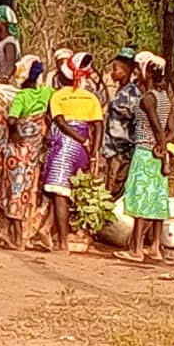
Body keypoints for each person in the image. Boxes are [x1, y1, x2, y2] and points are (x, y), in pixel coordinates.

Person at [116, 52, 174, 263]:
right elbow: (171, 131)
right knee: (157, 200)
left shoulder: (147, 98)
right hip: (158, 154)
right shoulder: (165, 98)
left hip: (145, 152)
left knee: (140, 199)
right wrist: (163, 150)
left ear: (146, 72)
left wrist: (158, 147)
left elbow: (157, 128)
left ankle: (136, 249)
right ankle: (155, 247)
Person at [43, 53, 103, 252]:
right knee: (68, 192)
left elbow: (59, 122)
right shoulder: (91, 98)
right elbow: (98, 126)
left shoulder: (58, 96)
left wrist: (79, 139)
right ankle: (48, 230)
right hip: (84, 148)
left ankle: (62, 242)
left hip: (65, 144)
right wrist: (93, 151)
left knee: (60, 194)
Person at [0, 56, 54, 250]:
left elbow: (12, 120)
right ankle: (15, 235)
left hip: (18, 151)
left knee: (14, 190)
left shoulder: (21, 97)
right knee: (24, 192)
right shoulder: (46, 93)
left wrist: (14, 136)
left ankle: (17, 239)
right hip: (34, 152)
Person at [102, 47, 141, 200]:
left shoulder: (132, 94)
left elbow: (136, 121)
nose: (113, 73)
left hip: (122, 150)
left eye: (115, 69)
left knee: (115, 189)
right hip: (113, 149)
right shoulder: (120, 90)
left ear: (125, 70)